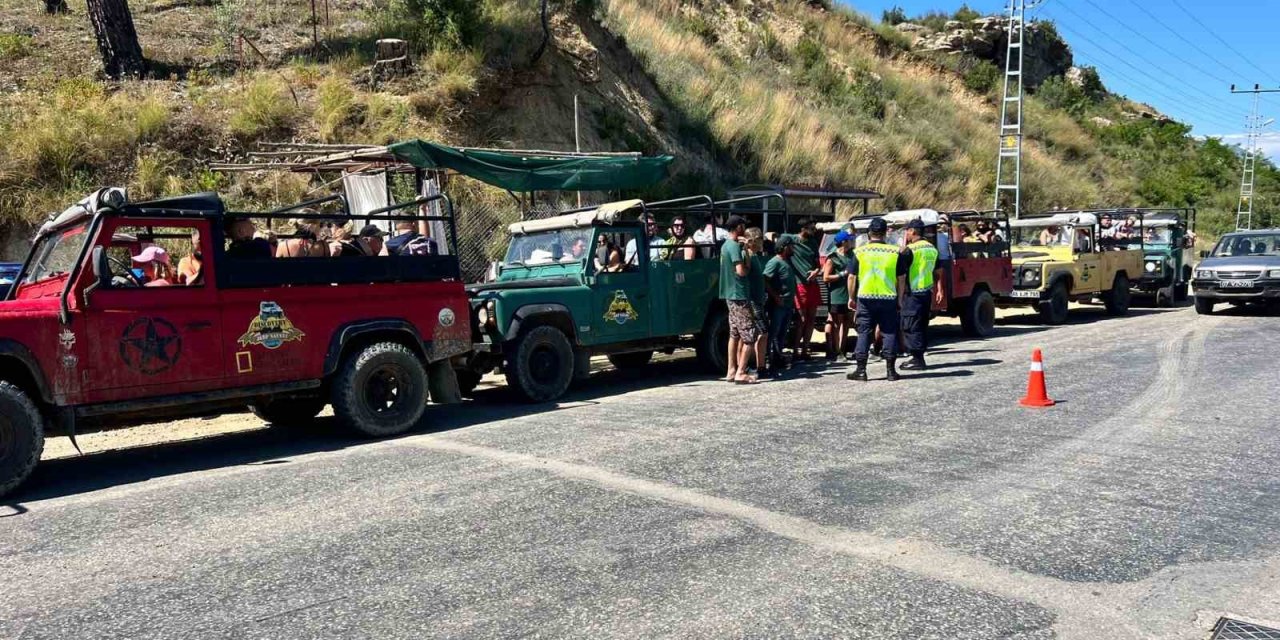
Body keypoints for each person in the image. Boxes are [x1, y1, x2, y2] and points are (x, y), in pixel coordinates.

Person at [845, 217, 911, 382]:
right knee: (889, 332)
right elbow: (902, 278)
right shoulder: (895, 252)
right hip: (888, 297)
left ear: (869, 233)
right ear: (885, 233)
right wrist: (900, 299)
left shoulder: (859, 252)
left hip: (865, 298)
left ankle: (861, 370)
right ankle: (890, 371)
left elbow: (852, 277)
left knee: (864, 333)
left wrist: (851, 298)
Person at [900, 219, 944, 371]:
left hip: (912, 293)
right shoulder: (931, 248)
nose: (906, 233)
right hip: (926, 292)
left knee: (911, 326)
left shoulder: (909, 250)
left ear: (912, 231)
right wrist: (939, 289)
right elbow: (938, 271)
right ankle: (918, 356)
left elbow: (901, 274)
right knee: (922, 324)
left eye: (907, 230)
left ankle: (917, 359)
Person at [719, 215, 757, 384]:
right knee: (749, 335)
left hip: (729, 295)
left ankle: (731, 370)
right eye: (743, 226)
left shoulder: (726, 245)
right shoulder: (734, 247)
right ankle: (741, 372)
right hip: (739, 294)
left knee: (734, 334)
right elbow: (741, 271)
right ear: (738, 228)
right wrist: (747, 255)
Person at [783, 217, 822, 360]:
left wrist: (816, 272)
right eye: (810, 228)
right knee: (802, 318)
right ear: (803, 229)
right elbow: (775, 237)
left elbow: (818, 264)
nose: (813, 231)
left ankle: (806, 348)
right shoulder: (792, 239)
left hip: (812, 283)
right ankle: (795, 350)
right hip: (799, 284)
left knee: (812, 318)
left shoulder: (813, 243)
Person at [763, 235, 798, 374]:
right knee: (773, 332)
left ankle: (778, 357)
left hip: (788, 304)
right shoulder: (774, 262)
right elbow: (765, 279)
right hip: (778, 304)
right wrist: (776, 296)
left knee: (782, 333)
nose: (793, 248)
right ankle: (768, 359)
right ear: (784, 247)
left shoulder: (787, 261)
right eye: (791, 246)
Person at [822, 230, 853, 360]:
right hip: (836, 295)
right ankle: (835, 350)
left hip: (849, 294)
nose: (851, 242)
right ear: (843, 242)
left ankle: (843, 349)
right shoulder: (832, 258)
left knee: (846, 322)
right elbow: (826, 277)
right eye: (849, 240)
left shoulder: (852, 255)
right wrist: (841, 274)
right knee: (836, 323)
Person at [744, 228, 770, 377]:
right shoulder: (749, 255)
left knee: (761, 333)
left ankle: (760, 365)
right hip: (753, 300)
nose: (762, 242)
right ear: (753, 241)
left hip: (759, 299)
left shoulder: (756, 256)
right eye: (759, 239)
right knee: (761, 333)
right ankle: (757, 365)